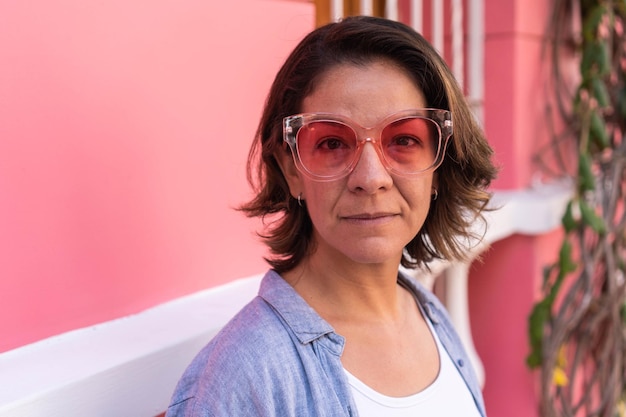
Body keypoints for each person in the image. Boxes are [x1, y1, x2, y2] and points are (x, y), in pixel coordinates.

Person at [165, 15, 497, 417]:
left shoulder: (429, 314)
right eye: (333, 142)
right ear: (291, 170)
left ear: (439, 167)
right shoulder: (246, 376)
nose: (370, 178)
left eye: (404, 139)